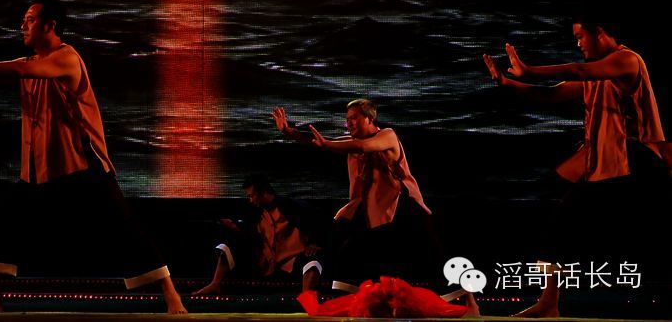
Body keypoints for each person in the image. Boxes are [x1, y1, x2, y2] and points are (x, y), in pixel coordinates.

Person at [0, 0, 187, 314]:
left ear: (50, 25)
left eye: (30, 19)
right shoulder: (33, 61)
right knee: (2, 221)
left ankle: (172, 297)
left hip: (82, 166)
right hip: (40, 170)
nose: (23, 25)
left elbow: (21, 69)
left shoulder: (66, 58)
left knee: (125, 228)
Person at [483, 17, 670, 317]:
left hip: (637, 163)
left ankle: (550, 302)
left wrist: (530, 70)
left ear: (600, 33)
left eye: (581, 36)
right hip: (607, 163)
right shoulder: (596, 76)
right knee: (560, 211)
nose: (578, 43)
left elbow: (578, 70)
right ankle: (549, 301)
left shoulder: (627, 60)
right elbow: (553, 93)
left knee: (577, 221)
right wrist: (508, 84)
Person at [271, 100, 441, 293]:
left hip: (401, 207)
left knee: (425, 257)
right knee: (331, 243)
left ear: (369, 118)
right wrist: (288, 132)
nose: (349, 123)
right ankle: (317, 292)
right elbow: (319, 140)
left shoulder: (387, 135)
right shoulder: (351, 143)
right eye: (347, 119)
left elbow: (363, 146)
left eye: (354, 118)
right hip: (366, 208)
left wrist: (326, 144)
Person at [194, 173, 322, 295]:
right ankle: (215, 284)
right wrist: (233, 226)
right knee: (229, 244)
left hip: (292, 262)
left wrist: (314, 242)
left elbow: (316, 221)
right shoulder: (257, 213)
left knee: (312, 261)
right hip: (265, 264)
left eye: (252, 196)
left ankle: (307, 299)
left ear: (263, 192)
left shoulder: (291, 207)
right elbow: (247, 231)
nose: (250, 200)